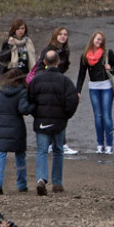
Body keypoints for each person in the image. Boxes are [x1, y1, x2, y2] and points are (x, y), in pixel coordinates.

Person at [28, 50, 79, 195]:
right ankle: (57, 183)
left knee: (42, 151)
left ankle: (41, 178)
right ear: (58, 62)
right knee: (58, 151)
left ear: (44, 62)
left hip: (41, 121)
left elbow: (30, 100)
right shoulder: (65, 81)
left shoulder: (36, 80)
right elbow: (72, 100)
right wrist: (66, 116)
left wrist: (36, 114)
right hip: (59, 121)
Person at [0, 69, 35, 194]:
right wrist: (33, 106)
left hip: (1, 127)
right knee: (20, 156)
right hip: (17, 128)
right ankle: (22, 184)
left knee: (0, 156)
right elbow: (23, 109)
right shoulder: (22, 92)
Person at [76, 31, 114, 155]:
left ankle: (110, 146)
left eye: (101, 40)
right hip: (93, 87)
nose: (99, 41)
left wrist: (110, 68)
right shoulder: (85, 55)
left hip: (106, 86)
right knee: (98, 117)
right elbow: (81, 75)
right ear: (92, 39)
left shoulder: (107, 53)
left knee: (107, 116)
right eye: (97, 39)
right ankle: (100, 144)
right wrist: (78, 91)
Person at [37, 28, 78, 155]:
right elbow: (40, 67)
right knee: (55, 112)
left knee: (57, 113)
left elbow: (64, 67)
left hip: (57, 83)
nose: (63, 36)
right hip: (48, 84)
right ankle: (59, 144)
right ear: (55, 35)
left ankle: (57, 143)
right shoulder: (49, 50)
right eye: (60, 34)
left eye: (65, 34)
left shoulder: (64, 50)